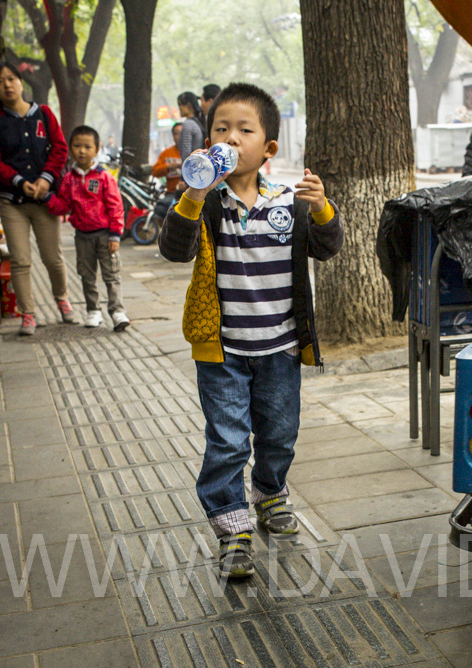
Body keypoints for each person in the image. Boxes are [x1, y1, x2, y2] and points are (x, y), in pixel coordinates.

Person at [158, 83, 344, 578]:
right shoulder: (207, 202)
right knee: (227, 440)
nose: (232, 139)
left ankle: (269, 493)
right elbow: (174, 250)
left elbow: (327, 247)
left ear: (269, 149)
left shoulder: (290, 201)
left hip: (280, 348)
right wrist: (194, 191)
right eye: (222, 129)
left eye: (245, 130)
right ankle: (231, 525)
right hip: (222, 352)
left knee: (280, 433)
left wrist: (323, 206)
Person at [0, 61, 77, 335]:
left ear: (21, 82)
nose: (7, 85)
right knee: (21, 260)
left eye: (11, 78)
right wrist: (20, 182)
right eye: (0, 82)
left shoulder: (44, 114)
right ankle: (28, 314)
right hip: (13, 201)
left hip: (45, 201)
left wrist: (45, 180)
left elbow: (59, 148)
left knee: (53, 257)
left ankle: (62, 299)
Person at [46, 125, 129, 331]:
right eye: (77, 146)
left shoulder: (104, 178)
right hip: (82, 237)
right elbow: (63, 206)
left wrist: (115, 234)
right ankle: (93, 310)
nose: (82, 151)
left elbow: (115, 206)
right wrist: (47, 198)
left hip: (104, 235)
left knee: (111, 274)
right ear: (71, 148)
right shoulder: (68, 180)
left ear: (97, 148)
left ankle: (117, 311)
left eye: (87, 146)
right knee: (87, 275)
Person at [151, 122, 184, 223]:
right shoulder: (167, 153)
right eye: (176, 133)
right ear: (173, 136)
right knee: (160, 210)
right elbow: (155, 171)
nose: (179, 136)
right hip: (172, 193)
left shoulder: (193, 151)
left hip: (188, 193)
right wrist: (168, 166)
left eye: (182, 133)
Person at [177, 91, 207, 161]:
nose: (179, 108)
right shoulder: (197, 122)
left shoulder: (188, 124)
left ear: (188, 105)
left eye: (180, 104)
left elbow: (186, 154)